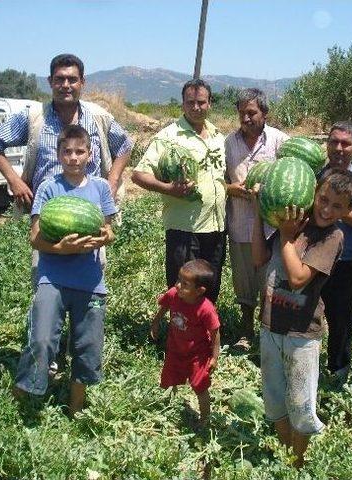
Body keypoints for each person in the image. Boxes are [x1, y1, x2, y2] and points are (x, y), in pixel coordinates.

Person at [252, 169, 352, 467]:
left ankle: (297, 463)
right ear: (314, 193)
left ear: (348, 211)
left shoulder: (332, 237)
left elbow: (299, 278)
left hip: (302, 335)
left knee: (300, 403)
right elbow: (259, 258)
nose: (326, 209)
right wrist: (257, 210)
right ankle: (286, 454)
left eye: (337, 206)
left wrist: (286, 239)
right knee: (274, 400)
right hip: (270, 325)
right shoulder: (295, 221)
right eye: (323, 199)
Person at [13, 125, 117, 417]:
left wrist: (105, 237)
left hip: (90, 281)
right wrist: (64, 249)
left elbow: (107, 230)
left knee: (87, 346)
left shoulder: (100, 188)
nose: (73, 157)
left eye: (79, 151)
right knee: (42, 339)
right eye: (67, 152)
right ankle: (20, 401)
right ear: (58, 154)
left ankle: (75, 409)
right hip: (53, 278)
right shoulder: (48, 187)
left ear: (90, 154)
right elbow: (35, 238)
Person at [0, 53, 133, 209]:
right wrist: (14, 181)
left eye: (72, 80)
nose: (66, 85)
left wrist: (113, 181)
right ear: (50, 81)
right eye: (60, 79)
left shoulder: (99, 117)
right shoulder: (34, 116)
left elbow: (124, 146)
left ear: (82, 82)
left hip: (91, 210)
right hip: (46, 212)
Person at [132, 79, 226, 303]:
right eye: (190, 102)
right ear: (182, 105)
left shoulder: (218, 136)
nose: (196, 107)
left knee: (210, 287)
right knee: (184, 289)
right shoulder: (168, 137)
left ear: (210, 103)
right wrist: (168, 189)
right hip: (185, 229)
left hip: (216, 227)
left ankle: (204, 333)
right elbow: (138, 174)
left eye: (201, 102)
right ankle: (180, 333)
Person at [225, 88, 289, 347]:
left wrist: (268, 191)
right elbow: (220, 179)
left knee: (269, 279)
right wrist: (232, 189)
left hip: (271, 227)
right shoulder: (228, 142)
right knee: (243, 279)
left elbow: (291, 174)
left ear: (265, 113)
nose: (246, 118)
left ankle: (268, 330)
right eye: (242, 113)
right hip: (240, 222)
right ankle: (245, 330)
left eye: (251, 113)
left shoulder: (280, 141)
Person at [318, 122, 352, 383]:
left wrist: (331, 206)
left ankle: (338, 371)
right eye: (334, 142)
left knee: (342, 320)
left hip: (347, 261)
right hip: (315, 259)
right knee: (310, 315)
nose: (339, 148)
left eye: (345, 143)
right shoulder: (316, 174)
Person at [150, 259, 221, 428]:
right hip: (175, 349)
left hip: (198, 355)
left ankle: (205, 419)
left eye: (185, 284)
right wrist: (155, 323)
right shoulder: (174, 294)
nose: (178, 286)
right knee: (169, 379)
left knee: (200, 387)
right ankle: (169, 407)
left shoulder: (206, 308)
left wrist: (214, 357)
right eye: (178, 280)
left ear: (200, 290)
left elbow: (215, 333)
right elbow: (164, 307)